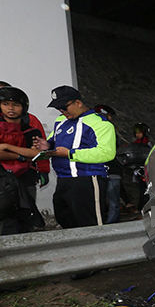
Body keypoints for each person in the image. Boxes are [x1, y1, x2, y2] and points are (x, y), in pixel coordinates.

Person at [33, 85, 116, 229]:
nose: (62, 111)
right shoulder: (61, 121)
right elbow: (54, 140)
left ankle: (100, 250)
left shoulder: (100, 123)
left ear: (78, 103)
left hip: (88, 178)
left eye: (64, 107)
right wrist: (47, 145)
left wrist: (70, 154)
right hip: (64, 179)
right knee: (66, 220)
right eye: (58, 109)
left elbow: (106, 153)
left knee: (91, 224)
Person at [0, 86, 48, 234]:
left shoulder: (32, 130)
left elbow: (38, 154)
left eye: (16, 105)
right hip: (2, 181)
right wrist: (21, 156)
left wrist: (7, 146)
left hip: (25, 179)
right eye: (6, 104)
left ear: (24, 107)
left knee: (25, 219)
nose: (11, 108)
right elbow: (30, 154)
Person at [95, 104, 122, 223]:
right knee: (109, 204)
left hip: (109, 172)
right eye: (108, 116)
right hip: (103, 172)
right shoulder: (103, 129)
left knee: (112, 204)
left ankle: (109, 227)